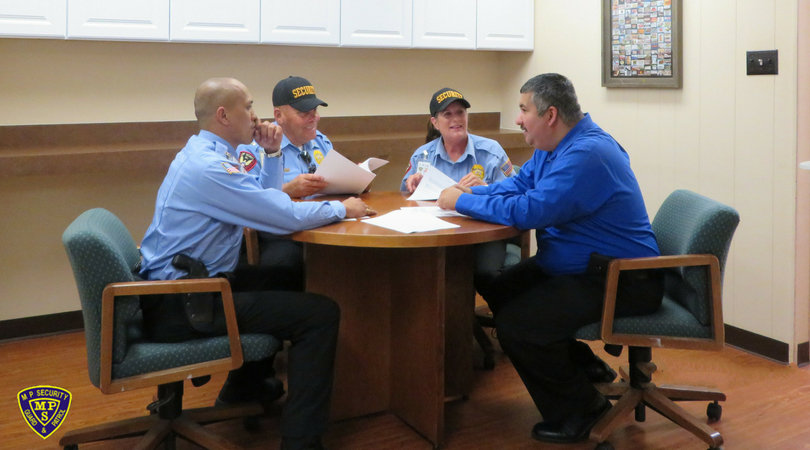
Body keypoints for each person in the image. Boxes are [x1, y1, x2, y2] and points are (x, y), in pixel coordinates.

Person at [139, 77, 373, 450]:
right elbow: (281, 215)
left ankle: (242, 389)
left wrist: (273, 154)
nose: (255, 115)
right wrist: (342, 208)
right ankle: (300, 442)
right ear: (223, 115)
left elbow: (263, 200)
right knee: (320, 314)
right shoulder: (211, 168)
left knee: (280, 275)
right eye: (247, 107)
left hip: (183, 289)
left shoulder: (206, 152)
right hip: (187, 303)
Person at [437, 73, 664, 444]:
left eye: (523, 110)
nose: (518, 119)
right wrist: (472, 195)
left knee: (518, 326)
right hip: (582, 268)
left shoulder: (588, 154)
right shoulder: (553, 147)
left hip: (622, 279)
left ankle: (583, 411)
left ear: (551, 115)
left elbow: (532, 210)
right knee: (497, 287)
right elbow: (519, 185)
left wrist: (461, 202)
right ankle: (585, 367)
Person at [401, 87, 515, 275]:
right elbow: (404, 200)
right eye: (447, 114)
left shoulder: (491, 151)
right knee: (418, 270)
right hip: (435, 232)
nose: (456, 119)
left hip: (484, 231)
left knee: (487, 272)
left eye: (460, 112)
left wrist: (486, 188)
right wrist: (412, 185)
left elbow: (516, 194)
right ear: (435, 123)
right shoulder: (422, 156)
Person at [236, 76, 334, 287]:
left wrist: (359, 180)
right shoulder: (254, 148)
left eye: (315, 111)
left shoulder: (321, 143)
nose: (314, 118)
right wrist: (287, 190)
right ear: (279, 116)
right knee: (287, 262)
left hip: (323, 225)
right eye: (304, 113)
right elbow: (250, 203)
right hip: (280, 235)